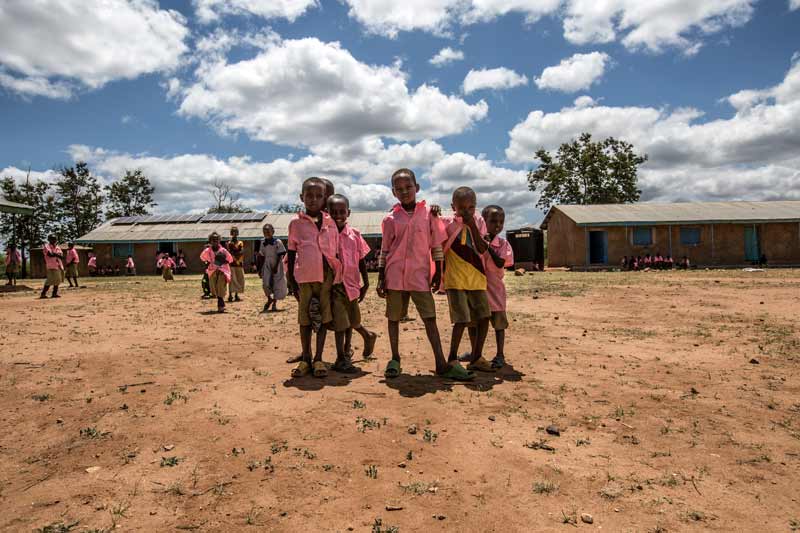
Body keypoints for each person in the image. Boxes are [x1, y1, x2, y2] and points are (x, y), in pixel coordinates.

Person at [378, 168, 471, 381]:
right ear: (393, 192)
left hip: (420, 275)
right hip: (394, 276)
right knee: (393, 318)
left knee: (429, 318)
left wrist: (439, 271)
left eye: (408, 187)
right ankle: (395, 359)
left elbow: (436, 244)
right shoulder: (390, 219)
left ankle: (440, 362)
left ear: (417, 187)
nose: (404, 192)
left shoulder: (429, 214)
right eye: (399, 189)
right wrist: (381, 277)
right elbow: (385, 249)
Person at [287, 177, 341, 378]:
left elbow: (334, 251)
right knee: (305, 319)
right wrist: (291, 279)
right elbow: (291, 252)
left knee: (324, 318)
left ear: (325, 198)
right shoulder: (295, 224)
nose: (313, 199)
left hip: (325, 278)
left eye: (319, 196)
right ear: (302, 197)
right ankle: (306, 359)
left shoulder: (331, 224)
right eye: (309, 195)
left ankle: (319, 358)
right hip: (304, 279)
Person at [441, 187, 491, 374]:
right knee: (461, 319)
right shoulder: (447, 223)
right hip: (455, 280)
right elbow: (436, 244)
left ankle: (477, 357)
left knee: (484, 317)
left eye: (471, 207)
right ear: (453, 207)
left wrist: (472, 226)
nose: (467, 212)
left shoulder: (479, 221)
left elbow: (482, 249)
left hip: (477, 278)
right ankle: (452, 358)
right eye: (462, 208)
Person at [327, 194, 378, 372]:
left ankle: (352, 347)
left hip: (352, 284)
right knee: (341, 323)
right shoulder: (325, 235)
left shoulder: (354, 235)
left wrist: (367, 283)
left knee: (351, 321)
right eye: (334, 212)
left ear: (348, 212)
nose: (338, 215)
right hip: (335, 285)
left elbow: (362, 259)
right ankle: (341, 357)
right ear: (328, 213)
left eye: (342, 211)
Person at [474, 205, 514, 369]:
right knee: (476, 324)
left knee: (499, 325)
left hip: (496, 292)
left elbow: (501, 263)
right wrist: (482, 242)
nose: (497, 225)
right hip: (479, 290)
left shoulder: (503, 244)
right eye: (493, 221)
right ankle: (476, 353)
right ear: (483, 221)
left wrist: (488, 247)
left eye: (501, 222)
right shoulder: (476, 240)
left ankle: (500, 354)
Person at [256, 223, 288, 312]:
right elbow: (261, 255)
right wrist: (260, 268)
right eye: (264, 231)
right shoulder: (263, 242)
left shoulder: (278, 242)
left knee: (277, 283)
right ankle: (269, 298)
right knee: (266, 283)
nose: (266, 232)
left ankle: (274, 303)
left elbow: (280, 255)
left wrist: (276, 267)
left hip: (277, 265)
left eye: (268, 231)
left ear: (273, 231)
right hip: (267, 265)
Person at [201, 232, 234, 312]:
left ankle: (220, 303)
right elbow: (202, 257)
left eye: (216, 240)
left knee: (220, 286)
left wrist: (223, 261)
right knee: (214, 289)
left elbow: (230, 259)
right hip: (212, 271)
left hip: (222, 270)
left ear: (219, 240)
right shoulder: (208, 250)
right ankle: (220, 299)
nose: (215, 241)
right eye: (213, 240)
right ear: (210, 241)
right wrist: (208, 262)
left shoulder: (223, 250)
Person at [227, 227, 246, 302]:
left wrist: (236, 255)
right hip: (231, 264)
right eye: (233, 232)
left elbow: (241, 252)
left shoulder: (240, 243)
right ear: (231, 233)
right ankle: (230, 295)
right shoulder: (229, 243)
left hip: (239, 263)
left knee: (239, 278)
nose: (234, 233)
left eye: (236, 232)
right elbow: (229, 252)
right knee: (232, 279)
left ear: (237, 233)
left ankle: (236, 295)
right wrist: (235, 255)